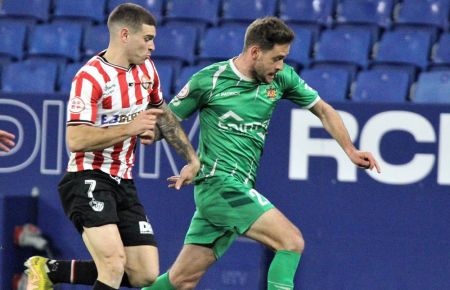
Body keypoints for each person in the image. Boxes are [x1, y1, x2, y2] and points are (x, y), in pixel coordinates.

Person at [143, 17, 381, 290]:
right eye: (277, 58)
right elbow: (168, 121)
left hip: (236, 189)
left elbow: (324, 110)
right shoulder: (209, 80)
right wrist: (150, 131)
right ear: (255, 51)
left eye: (284, 58)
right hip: (218, 185)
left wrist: (350, 150)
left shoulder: (281, 78)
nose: (281, 65)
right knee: (291, 241)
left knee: (182, 281)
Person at [25, 3, 200, 290]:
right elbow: (75, 139)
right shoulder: (90, 77)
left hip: (123, 181)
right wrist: (130, 128)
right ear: (124, 35)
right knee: (113, 264)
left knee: (143, 274)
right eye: (147, 38)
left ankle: (49, 268)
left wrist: (191, 159)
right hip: (86, 177)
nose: (153, 46)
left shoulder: (147, 70)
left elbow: (164, 116)